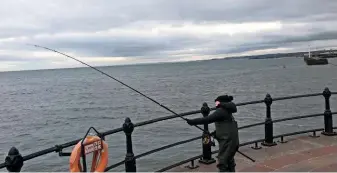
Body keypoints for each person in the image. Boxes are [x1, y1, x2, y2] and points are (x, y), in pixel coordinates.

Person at [186, 95, 239, 172]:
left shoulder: (221, 111)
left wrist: (192, 122)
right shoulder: (229, 111)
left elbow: (207, 119)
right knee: (229, 160)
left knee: (223, 162)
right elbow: (226, 127)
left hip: (227, 142)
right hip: (233, 140)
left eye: (217, 102)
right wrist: (215, 133)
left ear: (221, 103)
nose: (216, 104)